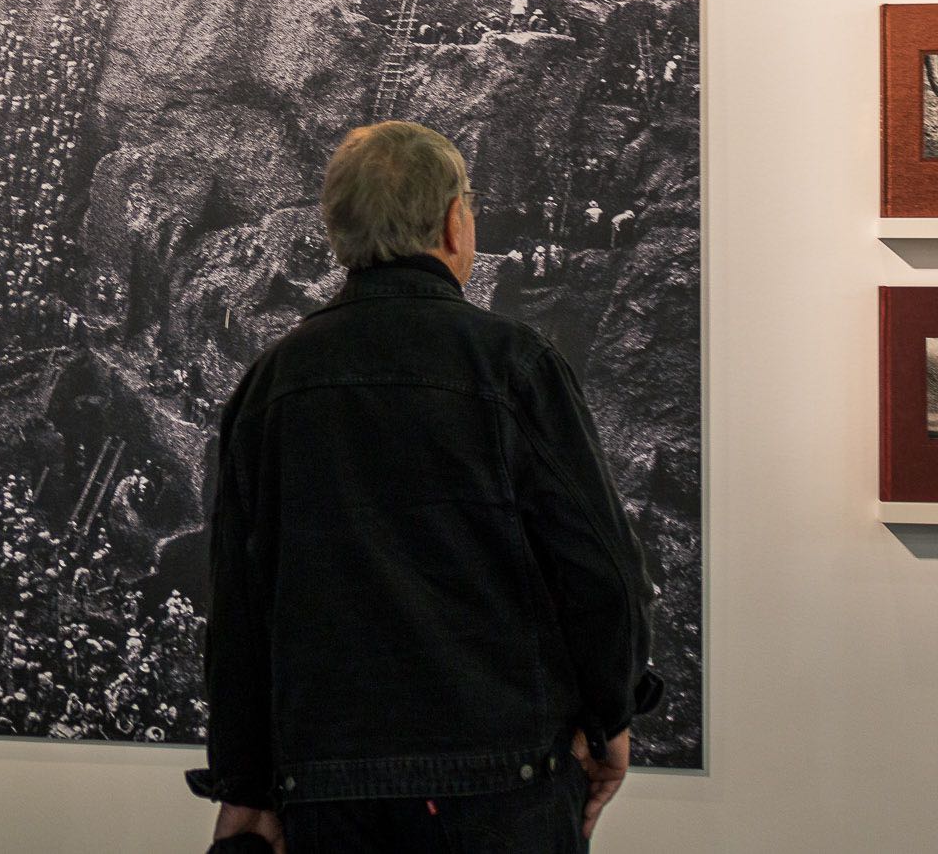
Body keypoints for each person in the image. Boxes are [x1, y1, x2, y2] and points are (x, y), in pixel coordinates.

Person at [190, 121, 662, 854]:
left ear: (338, 231)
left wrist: (247, 784)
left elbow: (239, 606)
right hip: (506, 785)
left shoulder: (272, 383)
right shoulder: (514, 366)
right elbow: (599, 566)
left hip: (328, 793)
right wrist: (610, 716)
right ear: (453, 221)